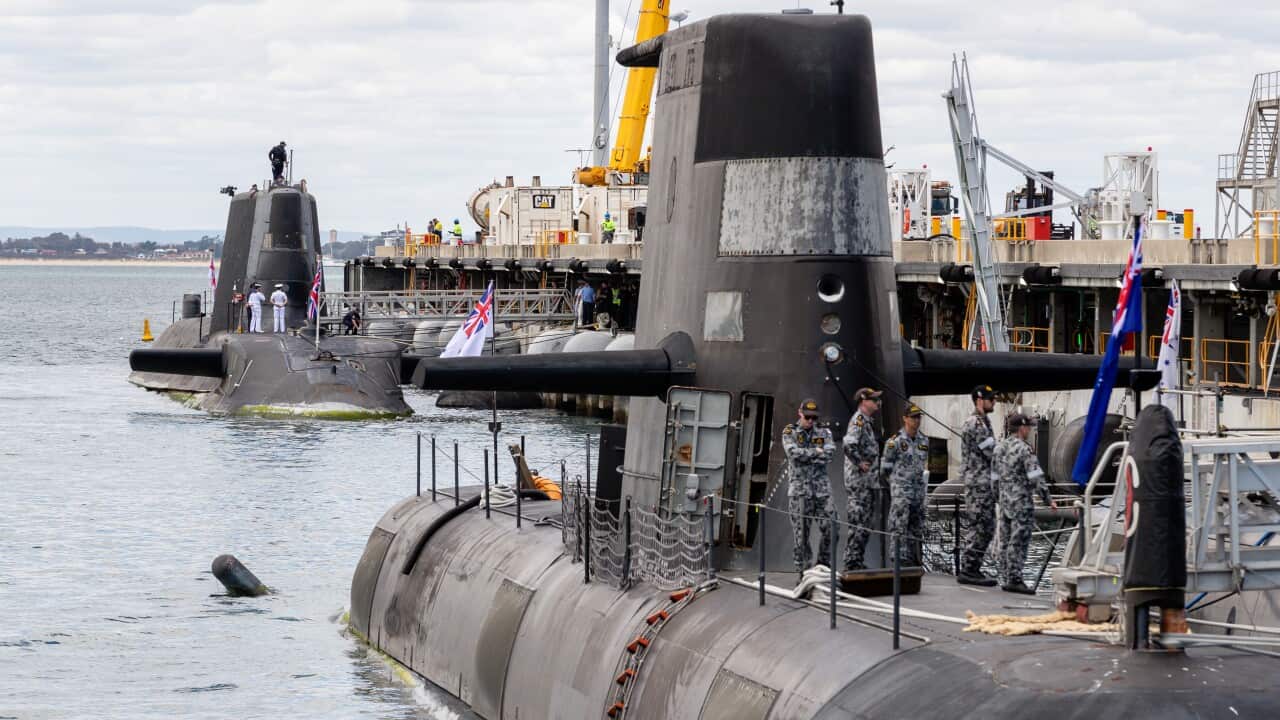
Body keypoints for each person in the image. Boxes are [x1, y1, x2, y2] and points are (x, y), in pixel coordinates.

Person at [995, 413, 1055, 595]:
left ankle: (1006, 576)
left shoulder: (999, 448)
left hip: (1005, 503)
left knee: (1005, 541)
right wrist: (1048, 499)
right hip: (1021, 504)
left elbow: (993, 477)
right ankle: (1015, 579)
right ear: (1021, 428)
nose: (1030, 430)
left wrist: (996, 497)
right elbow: (1035, 475)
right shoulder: (1024, 449)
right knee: (1019, 541)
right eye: (1028, 427)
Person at [783, 399, 835, 571]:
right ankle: (803, 572)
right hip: (800, 492)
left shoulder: (824, 432)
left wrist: (807, 454)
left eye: (814, 418)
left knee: (832, 528)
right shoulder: (790, 431)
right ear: (800, 413)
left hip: (821, 491)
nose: (811, 421)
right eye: (808, 417)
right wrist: (815, 452)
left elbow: (829, 454)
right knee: (801, 536)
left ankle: (822, 567)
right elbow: (793, 454)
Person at [958, 385, 999, 586]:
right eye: (991, 399)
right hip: (978, 485)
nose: (994, 402)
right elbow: (991, 452)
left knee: (987, 526)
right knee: (980, 527)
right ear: (979, 400)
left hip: (984, 484)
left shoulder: (984, 422)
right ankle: (968, 569)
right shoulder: (975, 424)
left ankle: (973, 567)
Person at [882, 403, 930, 567]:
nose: (916, 421)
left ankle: (913, 558)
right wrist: (897, 485)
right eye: (913, 417)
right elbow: (885, 468)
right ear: (905, 419)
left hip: (918, 492)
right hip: (902, 491)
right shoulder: (894, 442)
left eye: (918, 417)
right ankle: (898, 559)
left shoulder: (924, 440)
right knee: (899, 526)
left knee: (916, 526)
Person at [842, 387, 882, 570]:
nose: (877, 403)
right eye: (873, 400)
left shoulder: (867, 422)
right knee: (858, 522)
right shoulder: (858, 421)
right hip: (859, 482)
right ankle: (851, 562)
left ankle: (857, 560)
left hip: (869, 482)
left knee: (866, 523)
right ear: (863, 401)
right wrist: (859, 463)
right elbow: (849, 445)